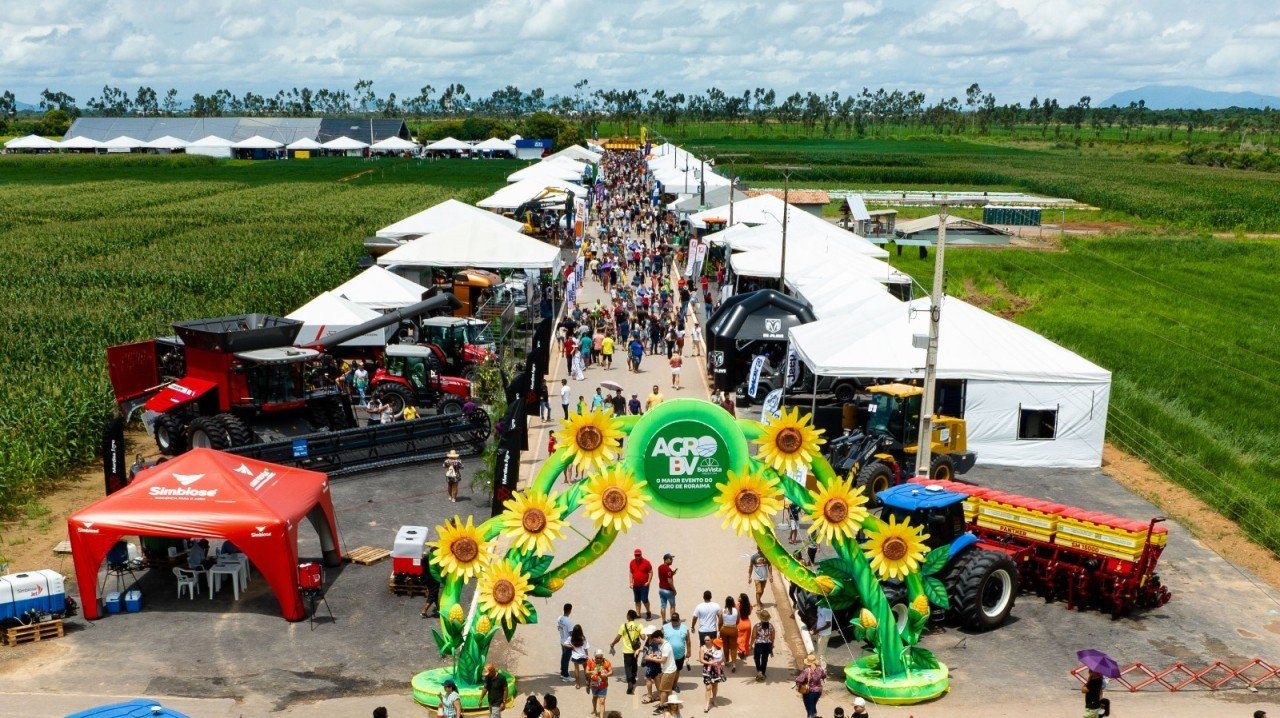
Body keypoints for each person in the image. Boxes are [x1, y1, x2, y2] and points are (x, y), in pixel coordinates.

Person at [609, 609, 645, 695]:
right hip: (636, 650)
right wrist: (638, 634)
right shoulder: (639, 625)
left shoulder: (623, 626)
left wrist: (612, 644)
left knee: (628, 666)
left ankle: (629, 683)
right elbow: (643, 637)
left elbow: (618, 638)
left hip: (627, 651)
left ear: (628, 616)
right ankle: (633, 679)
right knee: (634, 663)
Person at [646, 627, 678, 712]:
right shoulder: (662, 645)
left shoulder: (666, 646)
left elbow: (663, 660)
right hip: (668, 670)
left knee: (663, 690)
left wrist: (651, 659)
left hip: (669, 671)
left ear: (659, 637)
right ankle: (671, 705)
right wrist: (654, 655)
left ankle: (661, 706)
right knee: (668, 689)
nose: (655, 642)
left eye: (655, 640)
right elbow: (660, 655)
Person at [701, 636, 725, 712]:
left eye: (707, 640)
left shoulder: (718, 648)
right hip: (707, 670)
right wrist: (709, 663)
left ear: (711, 640)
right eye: (705, 640)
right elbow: (701, 660)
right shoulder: (703, 648)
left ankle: (714, 700)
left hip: (716, 669)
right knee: (708, 687)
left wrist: (718, 662)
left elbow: (724, 659)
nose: (706, 641)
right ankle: (707, 705)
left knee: (715, 685)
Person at [749, 609, 775, 682]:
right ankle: (763, 673)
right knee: (764, 659)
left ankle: (759, 671)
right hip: (767, 645)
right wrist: (772, 645)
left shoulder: (757, 626)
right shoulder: (771, 626)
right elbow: (773, 637)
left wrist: (750, 645)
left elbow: (753, 636)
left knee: (757, 658)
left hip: (758, 645)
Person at [630, 548, 655, 619]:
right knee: (637, 599)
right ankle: (638, 614)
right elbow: (631, 572)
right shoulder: (632, 562)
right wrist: (631, 582)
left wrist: (649, 581)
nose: (637, 556)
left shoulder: (646, 562)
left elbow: (650, 572)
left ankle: (648, 612)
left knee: (644, 599)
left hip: (644, 585)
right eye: (636, 555)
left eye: (638, 555)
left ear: (641, 555)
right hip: (635, 585)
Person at [586, 648, 612, 717]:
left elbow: (611, 671)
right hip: (594, 684)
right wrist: (592, 672)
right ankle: (594, 709)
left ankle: (601, 716)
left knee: (602, 701)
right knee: (594, 697)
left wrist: (606, 675)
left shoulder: (606, 662)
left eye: (600, 658)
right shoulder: (590, 661)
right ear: (595, 657)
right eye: (597, 658)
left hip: (603, 685)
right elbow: (586, 672)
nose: (599, 660)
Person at [719, 597, 740, 671]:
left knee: (725, 645)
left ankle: (727, 661)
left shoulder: (723, 610)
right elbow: (738, 621)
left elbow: (720, 622)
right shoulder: (736, 610)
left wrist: (719, 630)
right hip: (733, 629)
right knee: (733, 647)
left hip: (724, 629)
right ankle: (734, 664)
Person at [557, 603, 575, 683]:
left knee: (563, 657)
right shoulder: (568, 621)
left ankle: (562, 672)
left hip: (562, 641)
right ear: (570, 610)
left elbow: (558, 628)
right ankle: (566, 676)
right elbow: (571, 633)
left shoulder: (559, 618)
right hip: (567, 643)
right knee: (566, 659)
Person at [658, 553, 678, 623]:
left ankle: (663, 620)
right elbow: (669, 582)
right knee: (672, 606)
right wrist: (674, 590)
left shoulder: (660, 567)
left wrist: (672, 573)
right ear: (666, 560)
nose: (672, 560)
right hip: (668, 591)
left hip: (661, 589)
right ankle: (673, 620)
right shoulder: (668, 569)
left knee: (663, 606)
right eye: (670, 559)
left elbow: (664, 575)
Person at [813, 603, 834, 671]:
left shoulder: (827, 610)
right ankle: (819, 667)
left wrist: (818, 630)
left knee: (821, 653)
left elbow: (828, 624)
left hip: (824, 634)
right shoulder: (819, 607)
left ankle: (823, 669)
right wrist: (814, 627)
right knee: (819, 650)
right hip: (819, 632)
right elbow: (819, 618)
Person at [569, 624, 590, 688]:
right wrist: (587, 655)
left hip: (575, 656)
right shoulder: (583, 638)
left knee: (576, 669)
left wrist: (571, 647)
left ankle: (578, 684)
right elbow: (586, 648)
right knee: (586, 669)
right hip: (583, 656)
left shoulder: (571, 638)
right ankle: (588, 682)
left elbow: (565, 644)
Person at [735, 593, 752, 668]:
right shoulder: (749, 605)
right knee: (746, 639)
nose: (738, 597)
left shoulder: (737, 605)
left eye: (739, 597)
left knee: (739, 638)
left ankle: (741, 650)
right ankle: (745, 650)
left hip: (740, 623)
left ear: (741, 599)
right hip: (747, 624)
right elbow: (750, 612)